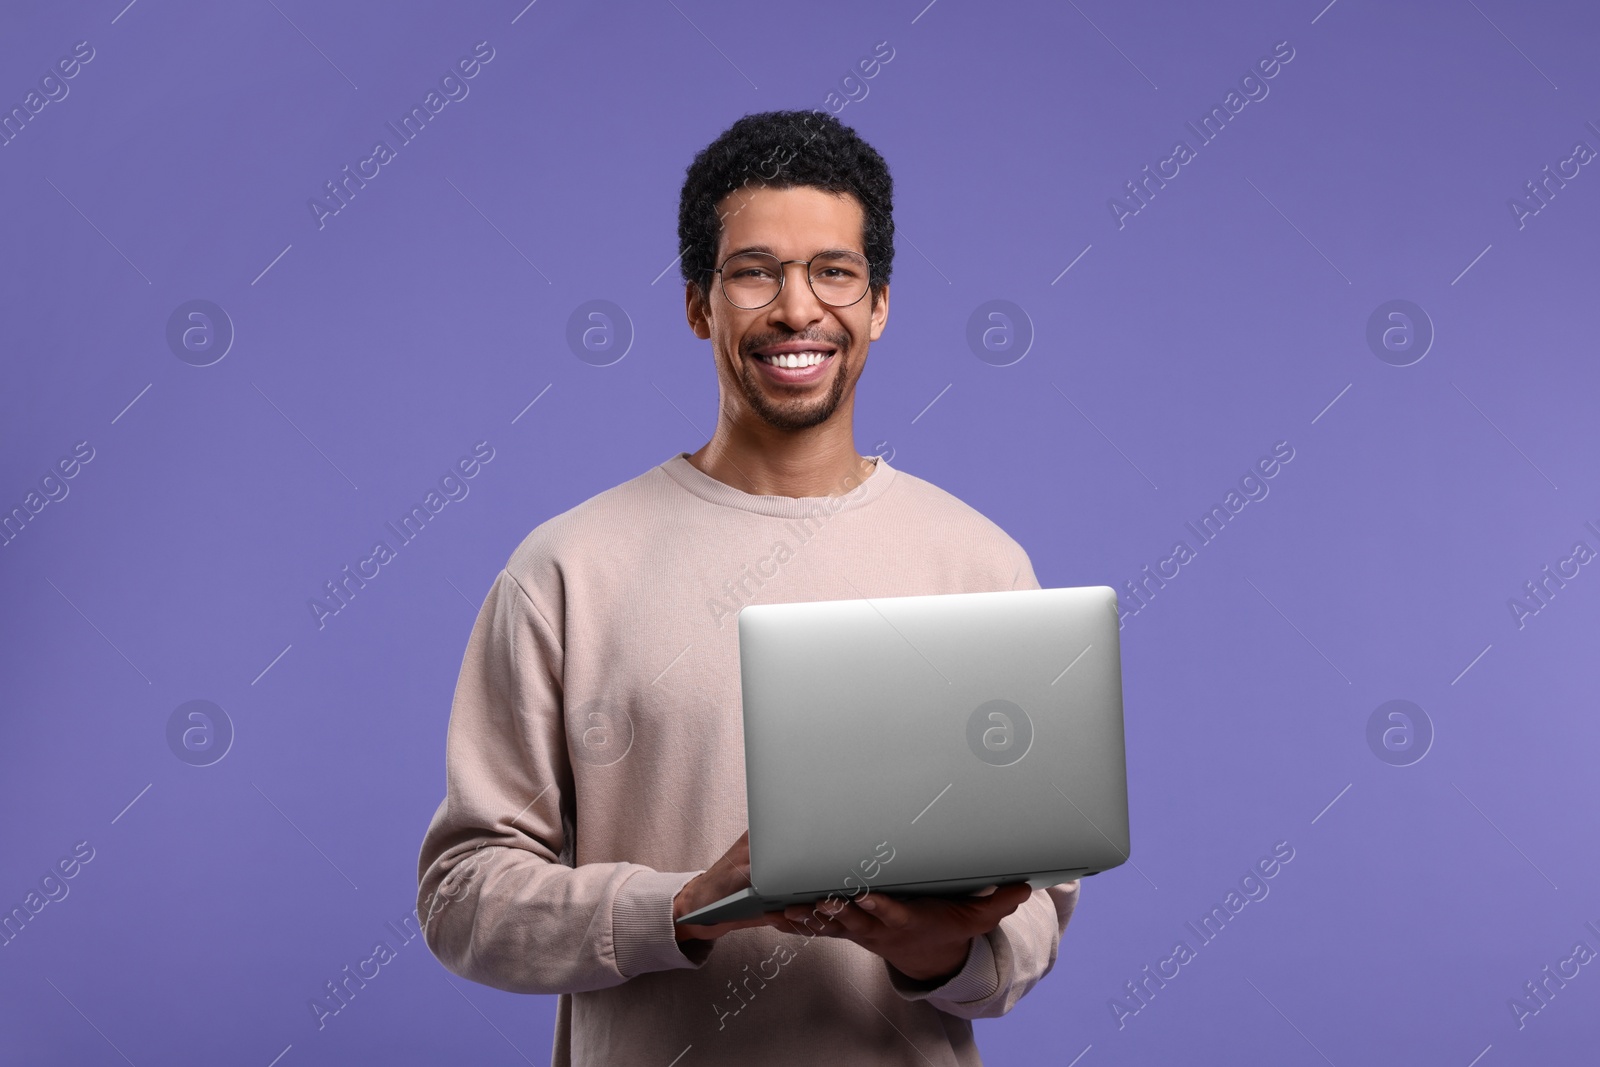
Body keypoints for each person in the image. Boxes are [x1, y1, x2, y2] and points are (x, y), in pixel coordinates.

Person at [416, 109, 1079, 1066]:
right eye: (754, 270)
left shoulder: (980, 566)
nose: (798, 309)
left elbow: (1036, 916)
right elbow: (461, 896)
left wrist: (944, 953)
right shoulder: (565, 568)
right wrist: (683, 906)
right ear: (700, 305)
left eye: (834, 271)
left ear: (880, 303)